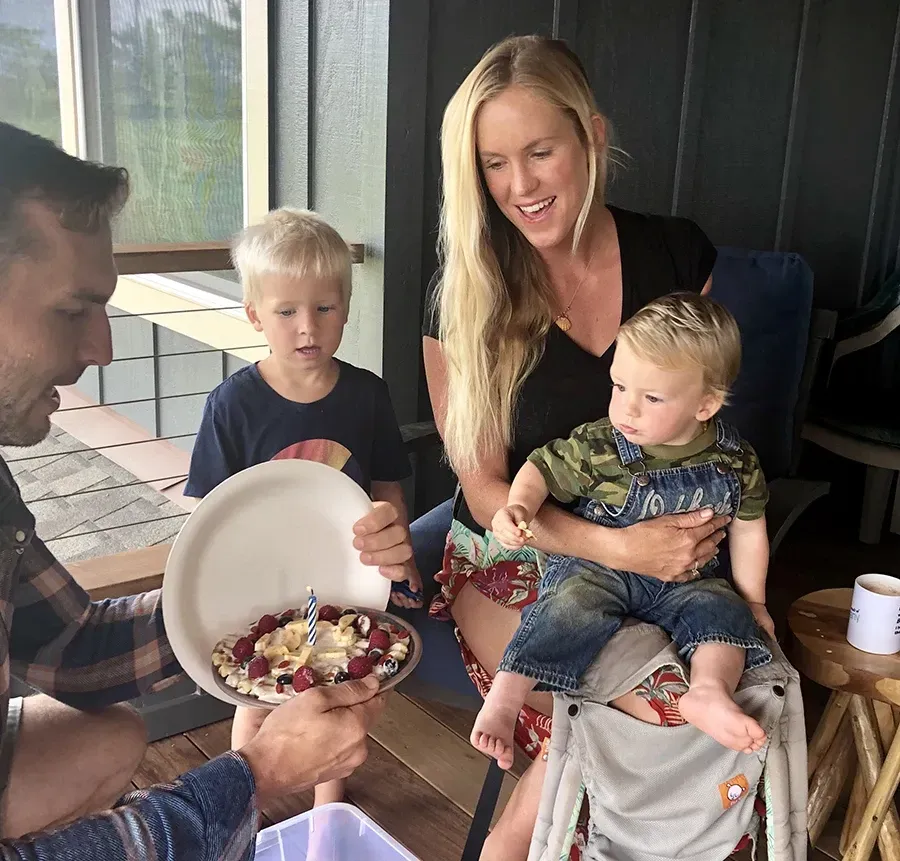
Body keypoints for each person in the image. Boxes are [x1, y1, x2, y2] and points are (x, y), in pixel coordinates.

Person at [0, 121, 414, 858]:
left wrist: (261, 620)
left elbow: (65, 645)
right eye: (71, 310)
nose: (104, 349)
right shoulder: (236, 402)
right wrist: (251, 776)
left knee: (114, 735)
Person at [409, 35, 734, 859]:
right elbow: (484, 488)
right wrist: (616, 546)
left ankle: (515, 836)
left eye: (539, 151)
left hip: (656, 552)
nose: (519, 185)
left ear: (591, 135)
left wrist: (684, 537)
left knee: (722, 707)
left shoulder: (677, 254)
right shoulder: (466, 295)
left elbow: (699, 428)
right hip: (512, 552)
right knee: (661, 711)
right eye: (493, 164)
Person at [185, 206, 423, 808]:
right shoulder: (232, 405)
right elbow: (209, 513)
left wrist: (399, 560)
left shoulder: (368, 394)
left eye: (325, 308)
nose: (307, 327)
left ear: (347, 306)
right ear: (254, 315)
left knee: (334, 699)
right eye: (286, 312)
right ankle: (242, 808)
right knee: (255, 701)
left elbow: (388, 486)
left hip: (346, 577)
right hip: (264, 579)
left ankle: (326, 814)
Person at [474, 293, 774, 770]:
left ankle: (707, 691)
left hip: (688, 580)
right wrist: (518, 506)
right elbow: (541, 469)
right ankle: (506, 698)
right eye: (619, 387)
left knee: (725, 614)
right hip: (600, 569)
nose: (627, 410)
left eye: (651, 398)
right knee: (569, 603)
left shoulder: (735, 459)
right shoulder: (601, 445)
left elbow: (750, 529)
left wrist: (754, 601)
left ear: (706, 404)